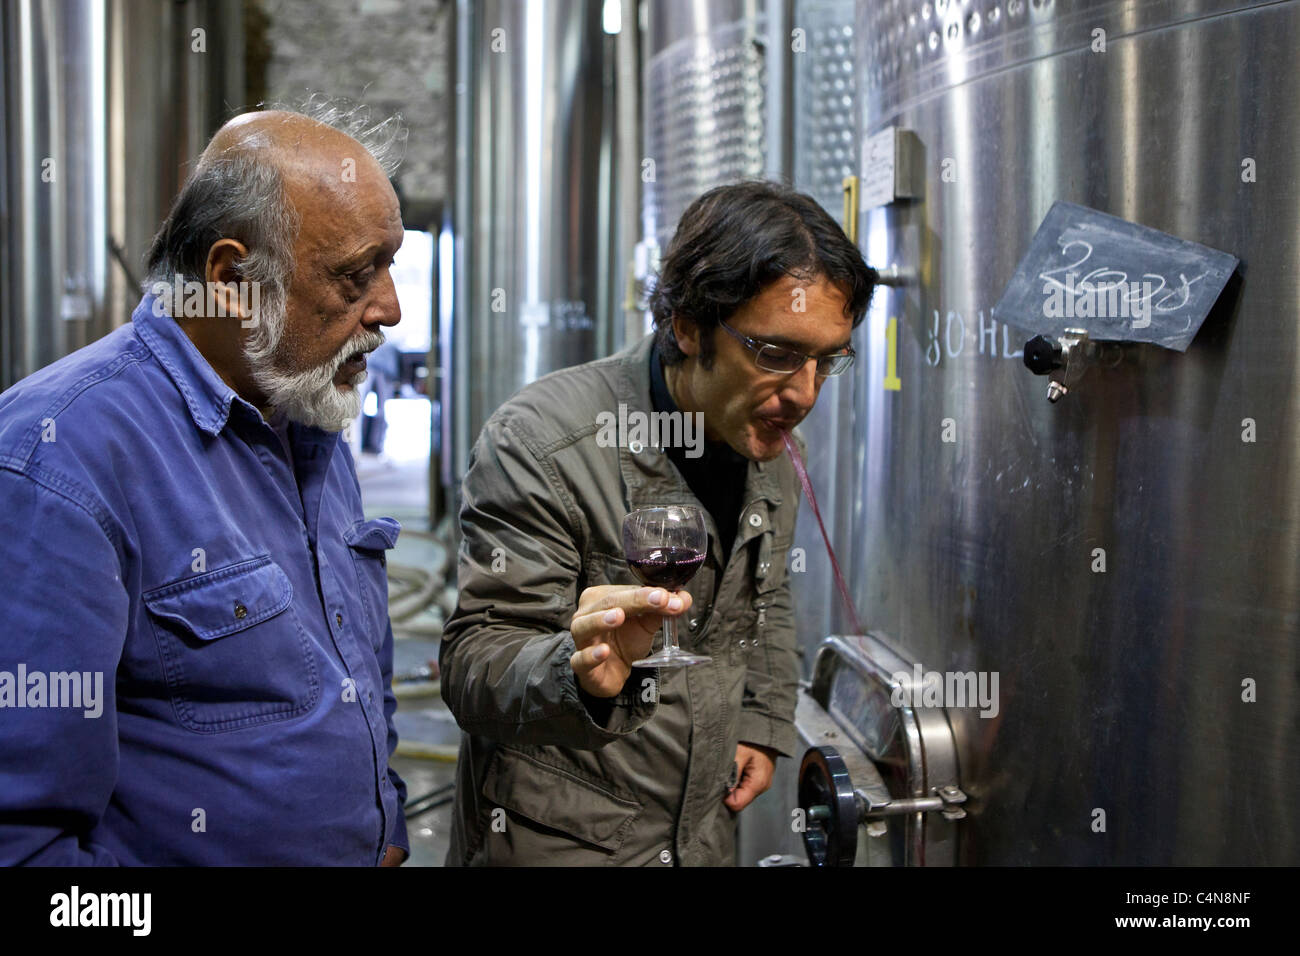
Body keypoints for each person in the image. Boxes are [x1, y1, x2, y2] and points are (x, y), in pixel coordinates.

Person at [0, 98, 411, 865]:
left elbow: (353, 669)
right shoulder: (56, 459)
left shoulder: (303, 405)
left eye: (391, 265)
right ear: (231, 277)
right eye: (356, 275)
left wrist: (381, 821)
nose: (389, 308)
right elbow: (22, 842)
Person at [440, 180, 876, 865]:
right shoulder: (544, 442)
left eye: (828, 359)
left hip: (702, 835)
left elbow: (765, 599)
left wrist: (762, 722)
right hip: (561, 843)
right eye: (776, 353)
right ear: (688, 326)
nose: (805, 393)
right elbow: (472, 667)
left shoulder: (772, 446)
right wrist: (575, 670)